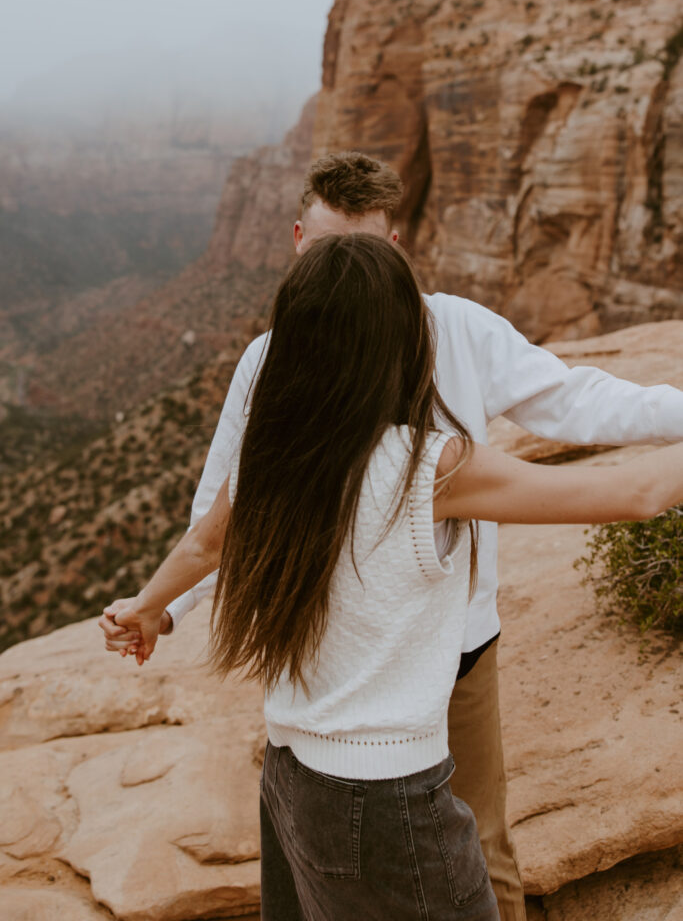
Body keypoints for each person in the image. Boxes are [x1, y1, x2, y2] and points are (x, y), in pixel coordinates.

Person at [100, 153, 683, 921]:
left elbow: (213, 534)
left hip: (358, 709)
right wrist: (161, 610)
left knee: (459, 851)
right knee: (433, 866)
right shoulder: (423, 466)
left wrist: (149, 606)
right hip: (372, 739)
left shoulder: (421, 357)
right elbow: (636, 491)